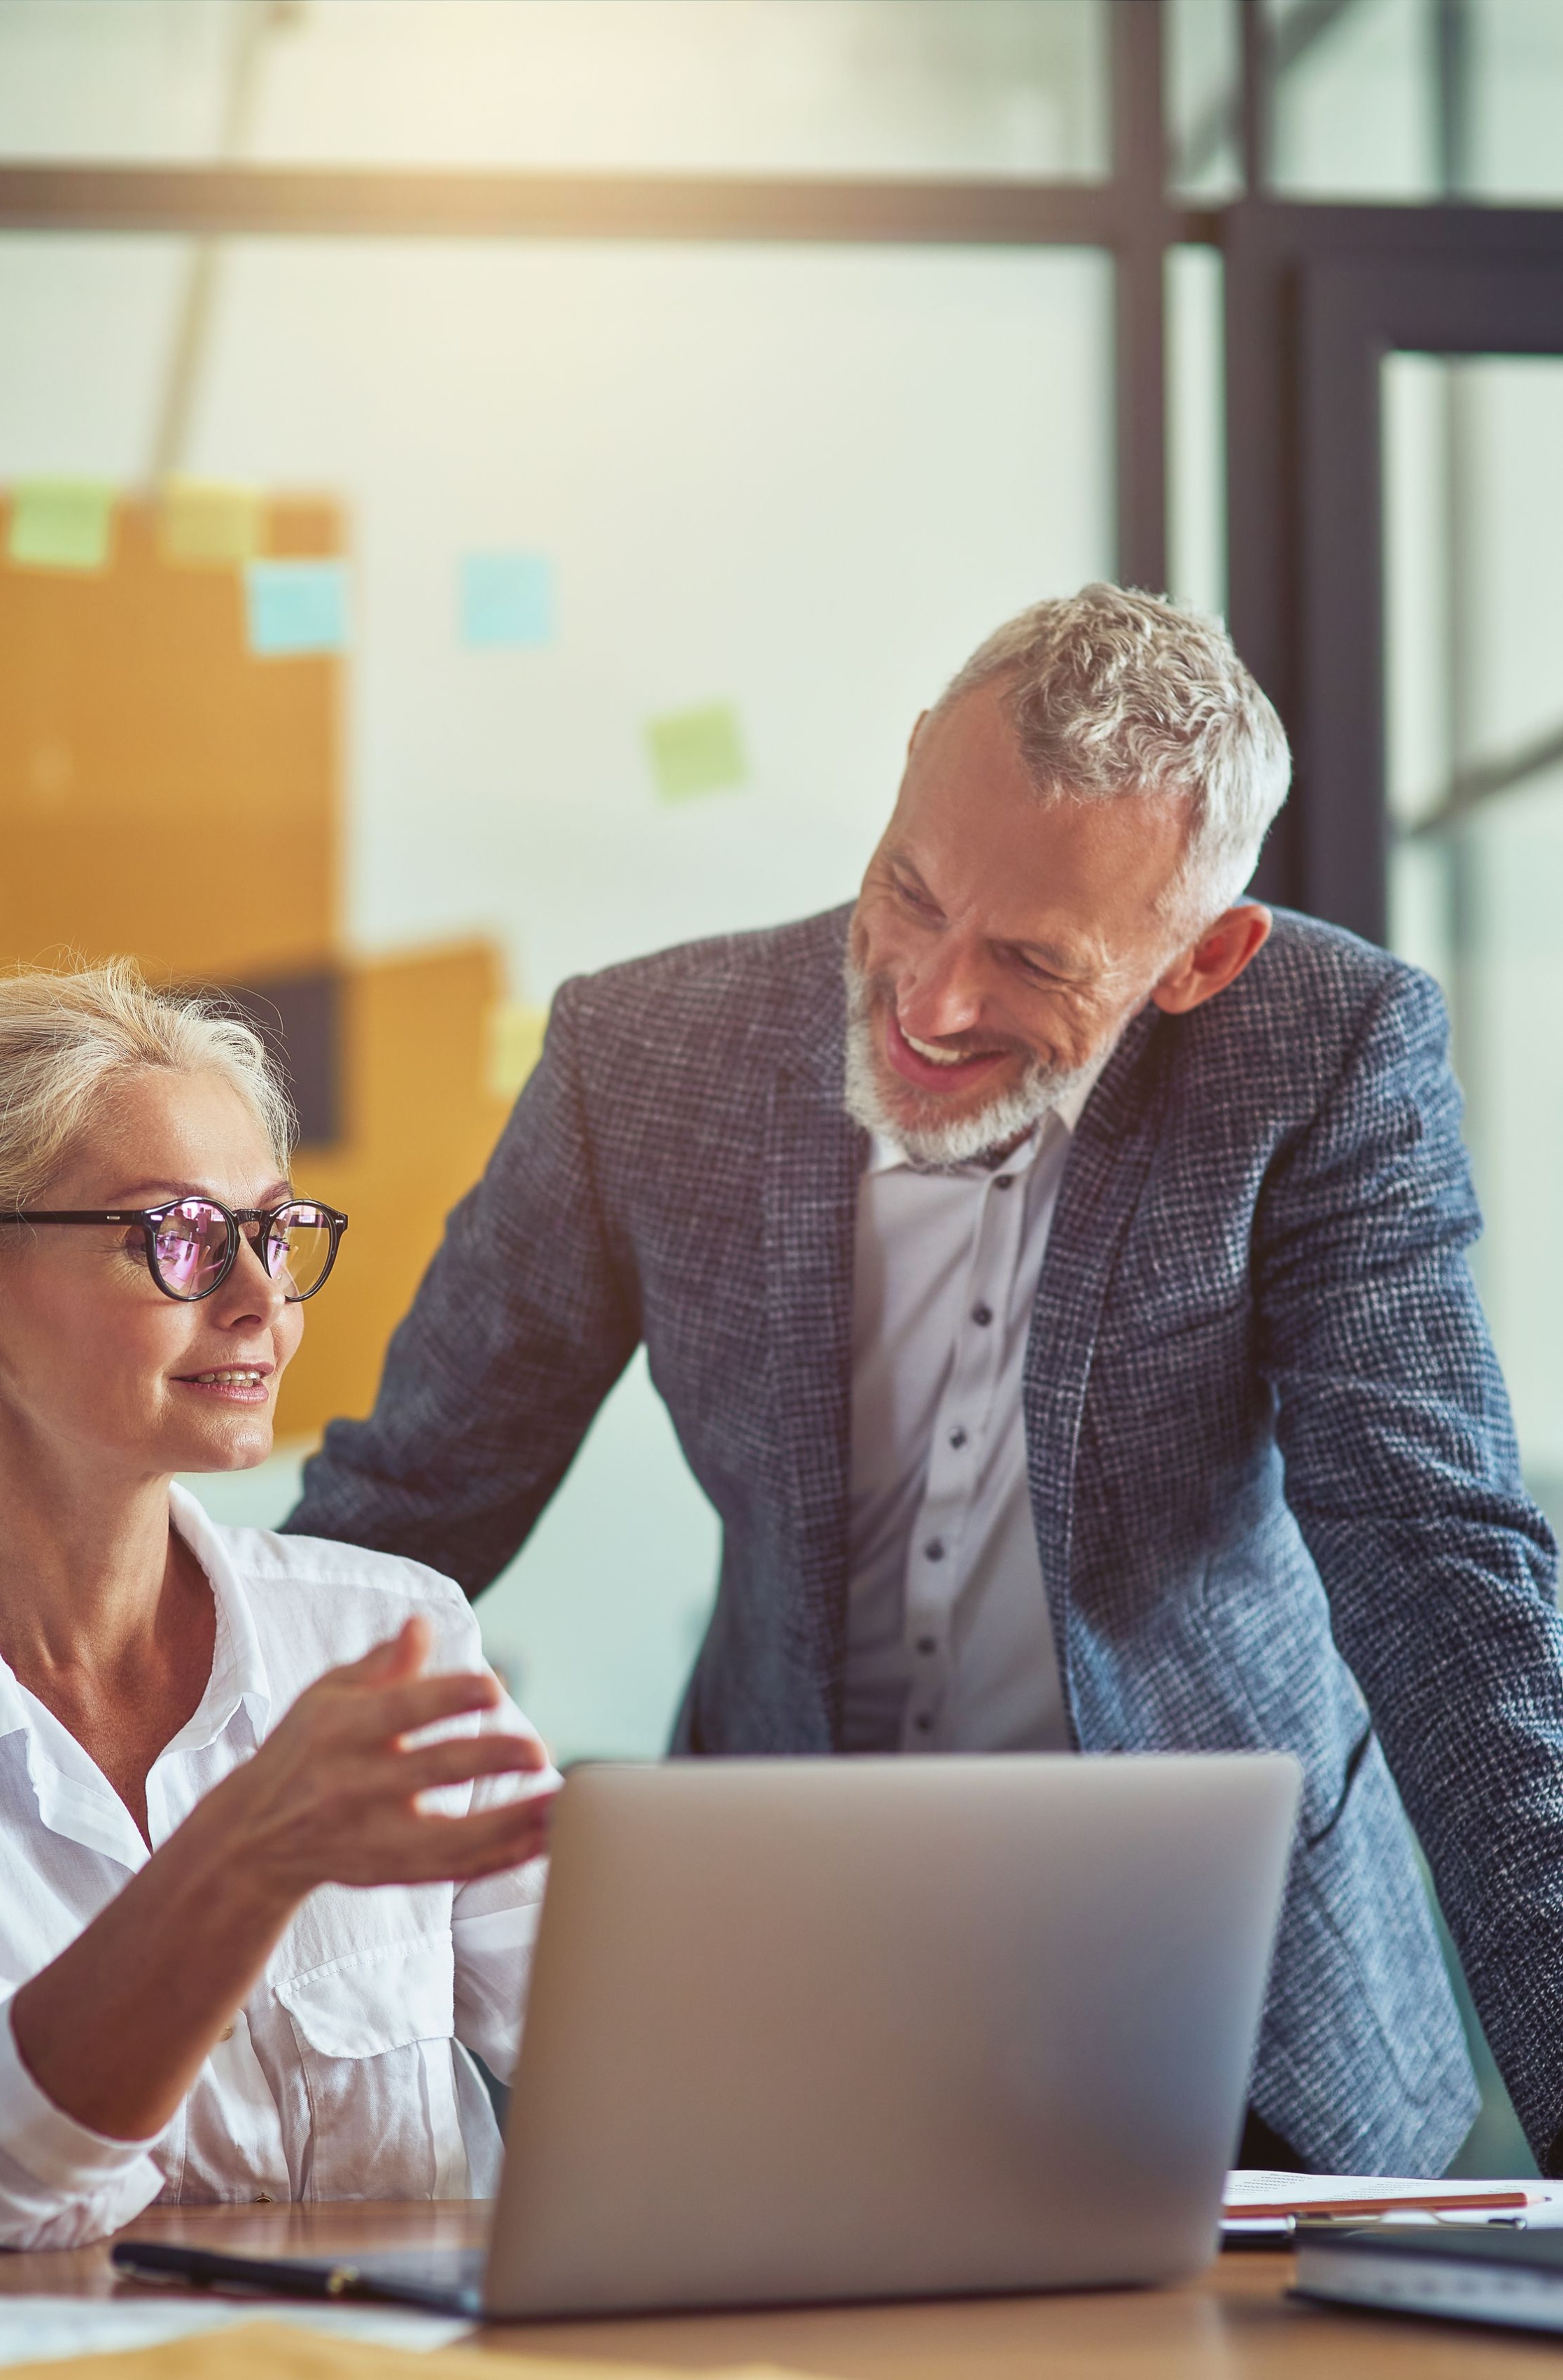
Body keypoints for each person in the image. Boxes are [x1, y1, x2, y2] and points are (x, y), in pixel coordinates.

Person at [290, 582, 1563, 2180]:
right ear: (902, 781)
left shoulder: (1325, 1052)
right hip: (787, 1962)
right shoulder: (641, 1056)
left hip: (1234, 1993)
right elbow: (405, 1506)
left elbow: (1432, 1557)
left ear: (1200, 956)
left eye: (1032, 959)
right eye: (909, 892)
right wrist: (158, 1894)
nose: (931, 999)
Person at [0, 964, 553, 2247]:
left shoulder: (387, 1634)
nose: (261, 1300)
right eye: (178, 1238)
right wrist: (248, 1856)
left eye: (275, 1231)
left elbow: (626, 2050)